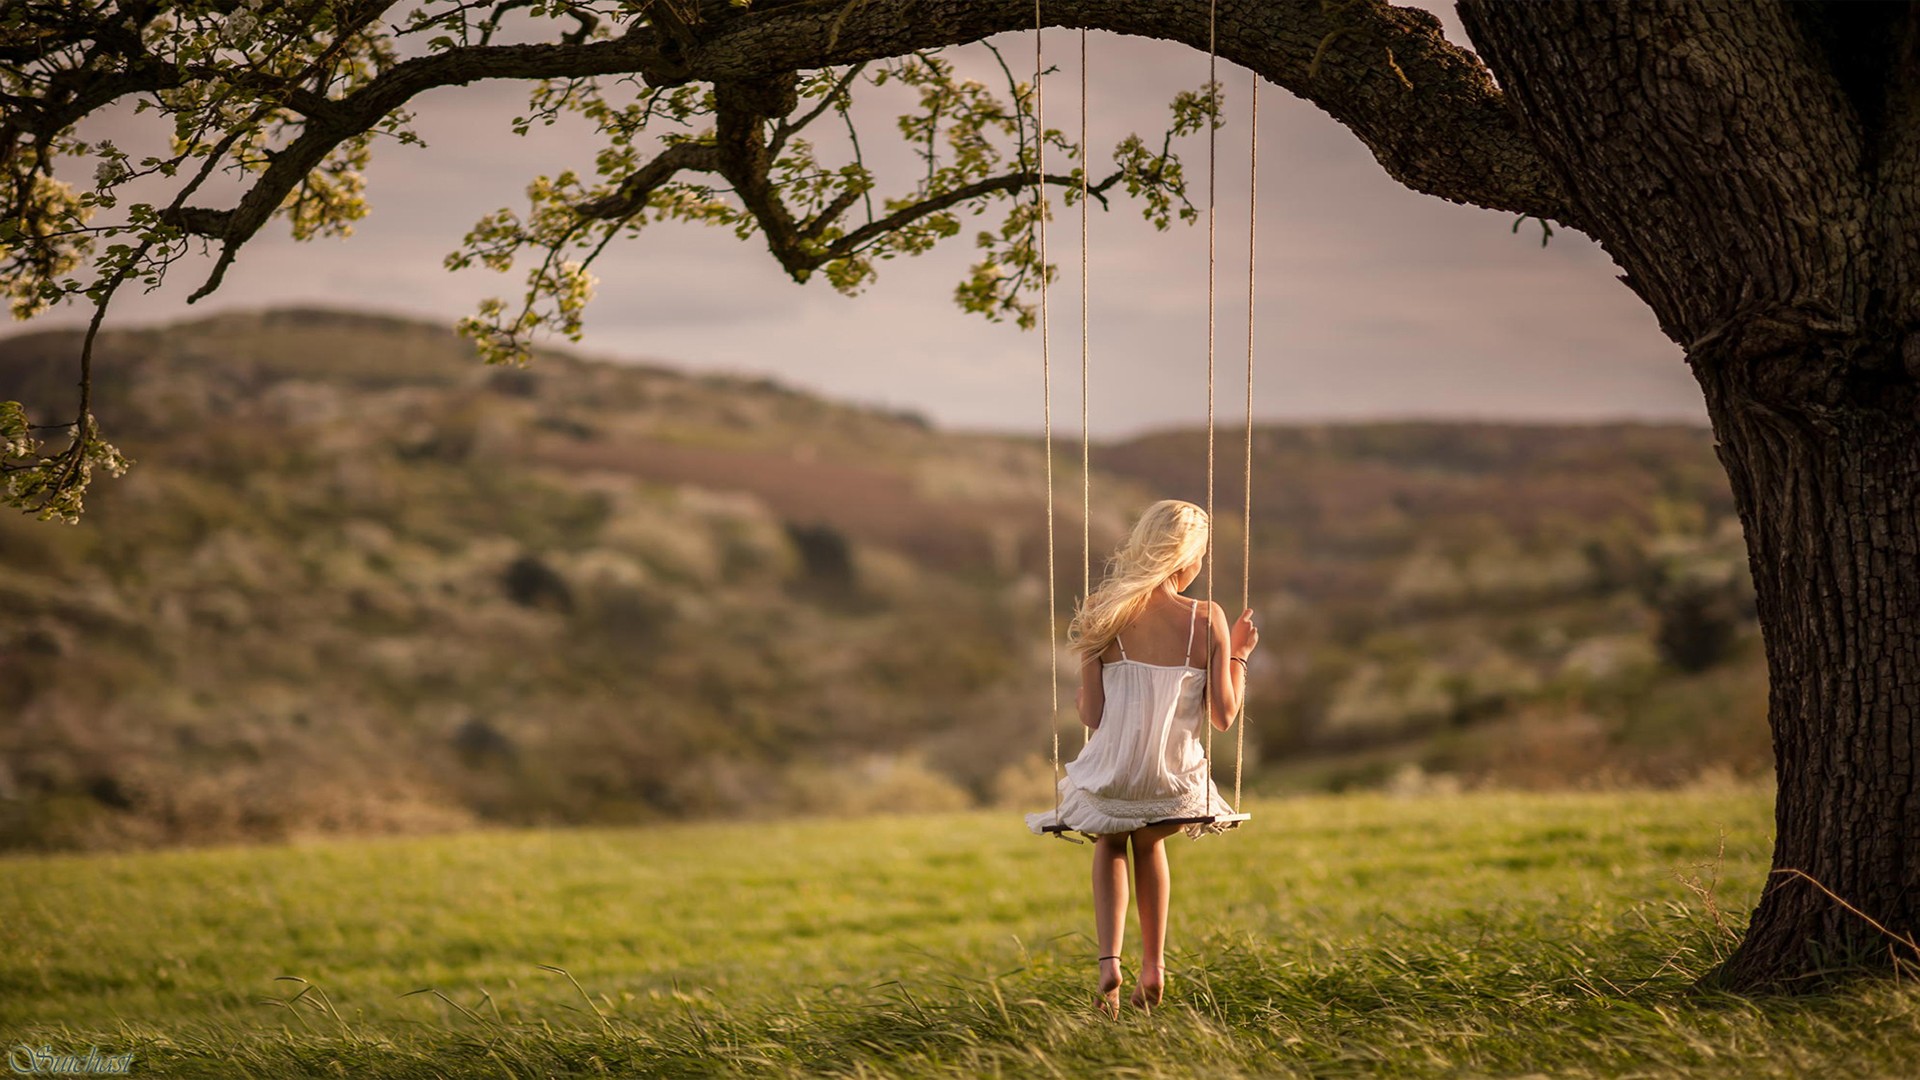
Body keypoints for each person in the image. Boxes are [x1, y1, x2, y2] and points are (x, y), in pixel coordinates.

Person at [1025, 498, 1259, 1015]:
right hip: (1173, 777)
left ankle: (1110, 961)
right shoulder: (1208, 618)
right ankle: (1153, 965)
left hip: (1113, 771)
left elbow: (1091, 713)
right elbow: (1224, 715)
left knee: (1110, 844)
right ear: (1187, 559)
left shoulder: (1101, 610)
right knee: (1150, 844)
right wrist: (1237, 653)